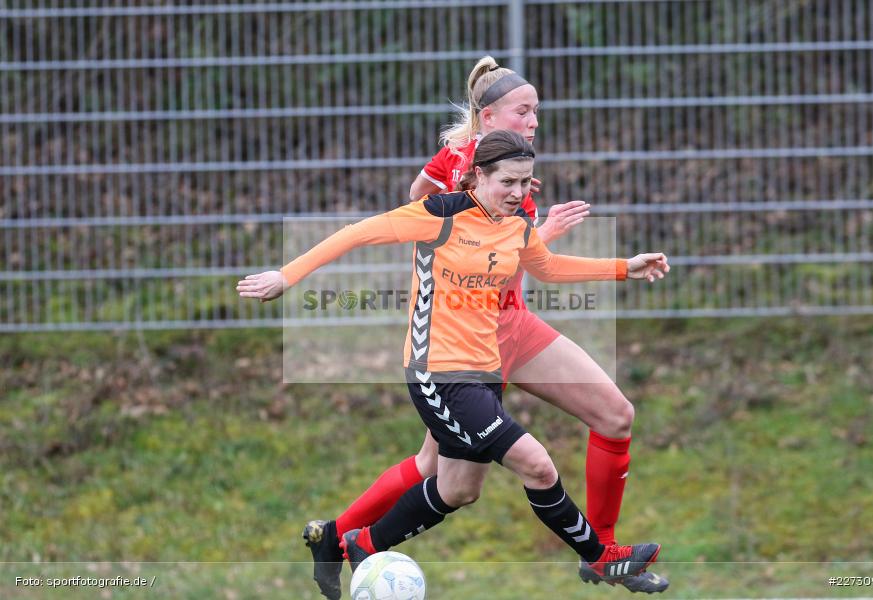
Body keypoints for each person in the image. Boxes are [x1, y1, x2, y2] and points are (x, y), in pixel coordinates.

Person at [237, 131, 669, 597]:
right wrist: (285, 276)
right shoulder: (439, 215)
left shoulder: (517, 226)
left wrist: (626, 266)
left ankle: (356, 542)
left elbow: (549, 268)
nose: (518, 193)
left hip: (484, 374)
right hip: (438, 375)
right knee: (538, 467)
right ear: (478, 176)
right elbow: (355, 233)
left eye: (525, 182)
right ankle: (601, 558)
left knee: (459, 489)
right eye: (508, 181)